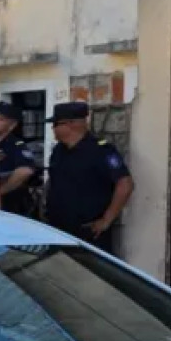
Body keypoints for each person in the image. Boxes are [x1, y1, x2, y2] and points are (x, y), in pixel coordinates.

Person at [45, 102, 135, 256]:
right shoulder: (58, 151)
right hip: (59, 231)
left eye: (55, 124)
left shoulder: (101, 150)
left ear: (70, 124)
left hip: (88, 233)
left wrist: (106, 220)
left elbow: (125, 184)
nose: (52, 129)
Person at [0, 101, 38, 217]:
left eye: (1, 119)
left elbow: (25, 171)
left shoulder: (16, 145)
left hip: (10, 208)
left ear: (12, 125)